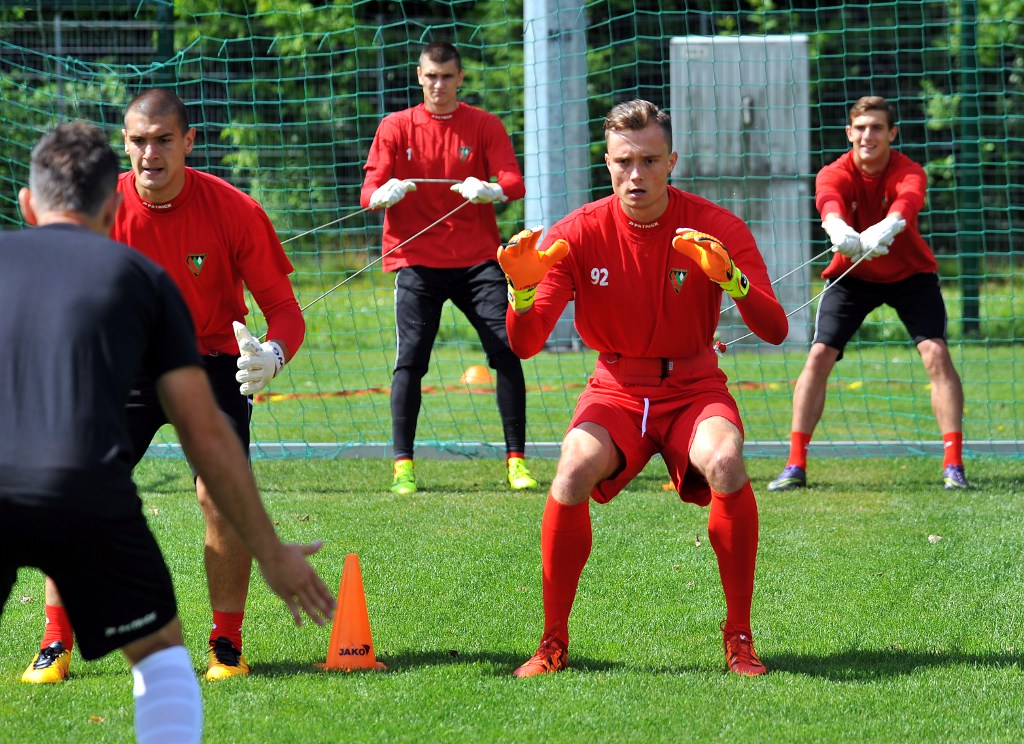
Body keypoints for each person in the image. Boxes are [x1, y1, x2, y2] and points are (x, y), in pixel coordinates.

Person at [0, 121, 334, 743]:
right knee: (80, 491)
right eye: (137, 140)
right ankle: (55, 640)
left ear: (189, 141)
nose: (149, 152)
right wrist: (273, 552)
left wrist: (273, 354)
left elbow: (284, 311)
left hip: (212, 359)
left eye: (162, 139)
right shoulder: (119, 240)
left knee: (204, 493)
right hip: (120, 365)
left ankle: (227, 642)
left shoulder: (234, 210)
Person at [498, 99, 789, 678]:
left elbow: (776, 329)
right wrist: (522, 295)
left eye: (650, 161)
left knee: (726, 461)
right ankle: (552, 643)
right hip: (616, 388)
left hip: (694, 384)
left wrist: (731, 280)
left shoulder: (714, 226)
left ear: (672, 162)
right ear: (606, 162)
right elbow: (526, 344)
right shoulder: (576, 233)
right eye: (624, 161)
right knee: (571, 468)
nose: (636, 174)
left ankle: (739, 636)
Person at [360, 40, 538, 495]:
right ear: (419, 77)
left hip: (477, 261)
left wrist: (491, 190)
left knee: (507, 350)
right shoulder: (395, 126)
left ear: (460, 78)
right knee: (410, 361)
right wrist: (383, 194)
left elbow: (514, 181)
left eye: (447, 77)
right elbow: (368, 193)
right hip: (416, 260)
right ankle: (403, 467)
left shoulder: (484, 124)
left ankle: (516, 462)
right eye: (431, 76)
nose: (438, 85)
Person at [767, 96, 970, 493]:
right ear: (849, 133)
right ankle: (794, 465)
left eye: (877, 127)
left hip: (910, 274)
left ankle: (954, 465)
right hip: (851, 276)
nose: (868, 135)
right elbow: (828, 200)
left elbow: (909, 199)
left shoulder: (909, 170)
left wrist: (890, 225)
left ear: (892, 133)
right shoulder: (834, 171)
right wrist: (836, 227)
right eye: (860, 127)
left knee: (936, 353)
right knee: (819, 356)